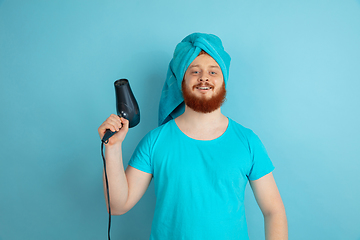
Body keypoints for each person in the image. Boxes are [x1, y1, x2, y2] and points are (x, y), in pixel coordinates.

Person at [98, 33, 288, 240]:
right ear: (181, 81)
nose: (204, 77)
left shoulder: (248, 141)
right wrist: (113, 147)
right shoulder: (155, 141)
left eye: (213, 71)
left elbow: (273, 211)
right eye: (195, 71)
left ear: (224, 80)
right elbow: (117, 206)